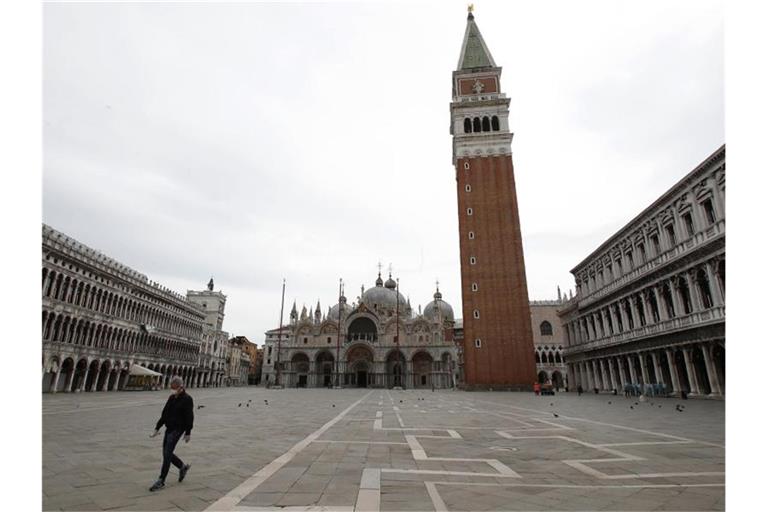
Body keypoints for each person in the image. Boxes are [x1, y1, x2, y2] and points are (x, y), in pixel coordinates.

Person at [149, 376, 193, 492]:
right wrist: (157, 427)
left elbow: (190, 417)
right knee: (166, 453)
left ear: (181, 387)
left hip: (178, 429)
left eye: (174, 388)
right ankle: (182, 467)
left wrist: (188, 432)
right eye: (171, 388)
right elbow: (165, 413)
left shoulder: (187, 399)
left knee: (167, 454)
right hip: (169, 428)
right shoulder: (171, 398)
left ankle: (161, 480)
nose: (172, 390)